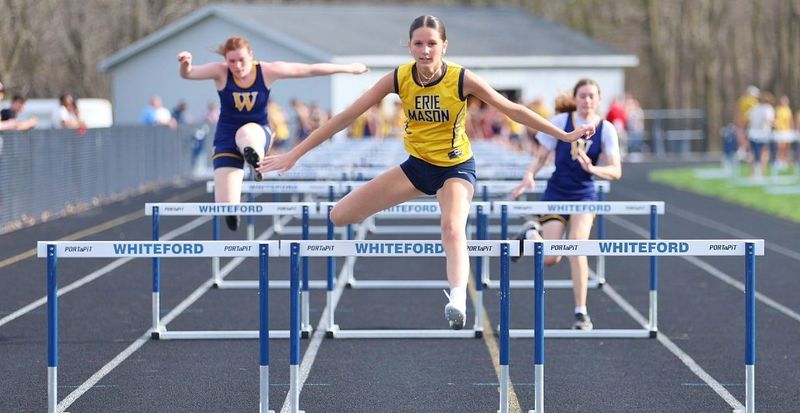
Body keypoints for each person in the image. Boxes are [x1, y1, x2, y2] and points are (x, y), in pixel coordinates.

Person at [259, 15, 594, 330]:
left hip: (455, 168)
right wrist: (295, 154)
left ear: (444, 46)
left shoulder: (461, 79)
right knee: (339, 216)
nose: (425, 50)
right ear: (409, 47)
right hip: (417, 167)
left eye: (431, 43)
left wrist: (562, 135)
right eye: (418, 44)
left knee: (451, 227)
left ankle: (459, 299)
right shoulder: (399, 77)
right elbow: (346, 116)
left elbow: (513, 109)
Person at [177, 36, 368, 230]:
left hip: (257, 131)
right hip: (226, 135)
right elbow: (189, 74)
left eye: (241, 60)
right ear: (226, 60)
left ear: (251, 55)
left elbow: (308, 69)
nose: (237, 66)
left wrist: (350, 68)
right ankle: (232, 208)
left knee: (245, 134)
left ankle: (255, 159)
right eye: (231, 61)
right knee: (225, 206)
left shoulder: (267, 70)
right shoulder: (220, 71)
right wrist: (186, 64)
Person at [510, 78, 622, 330]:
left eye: (592, 96)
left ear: (599, 99)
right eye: (582, 96)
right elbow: (542, 155)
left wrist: (592, 168)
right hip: (557, 192)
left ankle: (581, 312)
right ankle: (530, 234)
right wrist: (529, 175)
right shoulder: (561, 122)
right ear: (575, 98)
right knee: (550, 258)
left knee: (577, 247)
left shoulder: (607, 129)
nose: (587, 101)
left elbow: (616, 171)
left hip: (584, 194)